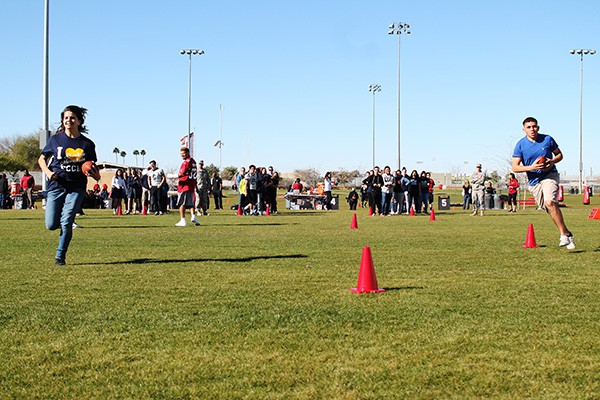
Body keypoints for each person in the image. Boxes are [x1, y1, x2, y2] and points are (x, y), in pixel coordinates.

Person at [38, 105, 97, 266]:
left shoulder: (87, 144)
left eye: (72, 118)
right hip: (56, 185)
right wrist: (49, 173)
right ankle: (61, 228)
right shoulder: (55, 140)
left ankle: (60, 256)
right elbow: (41, 159)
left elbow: (95, 172)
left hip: (76, 187)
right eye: (66, 118)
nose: (68, 120)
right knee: (51, 225)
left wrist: (92, 173)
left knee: (67, 221)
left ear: (79, 120)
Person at [512, 117, 575, 249]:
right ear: (524, 130)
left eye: (534, 126)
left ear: (538, 128)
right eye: (528, 127)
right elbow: (515, 167)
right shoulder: (520, 145)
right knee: (549, 208)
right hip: (534, 181)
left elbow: (559, 155)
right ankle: (568, 233)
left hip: (549, 175)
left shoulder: (547, 139)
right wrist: (532, 167)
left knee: (550, 202)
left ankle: (563, 235)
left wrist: (552, 161)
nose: (532, 129)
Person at [175, 147, 200, 226]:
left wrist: (173, 176)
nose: (182, 155)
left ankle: (183, 220)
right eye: (181, 154)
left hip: (184, 185)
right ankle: (193, 216)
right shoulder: (193, 161)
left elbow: (182, 173)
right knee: (191, 203)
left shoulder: (186, 162)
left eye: (184, 153)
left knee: (182, 203)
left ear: (188, 153)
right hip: (191, 184)